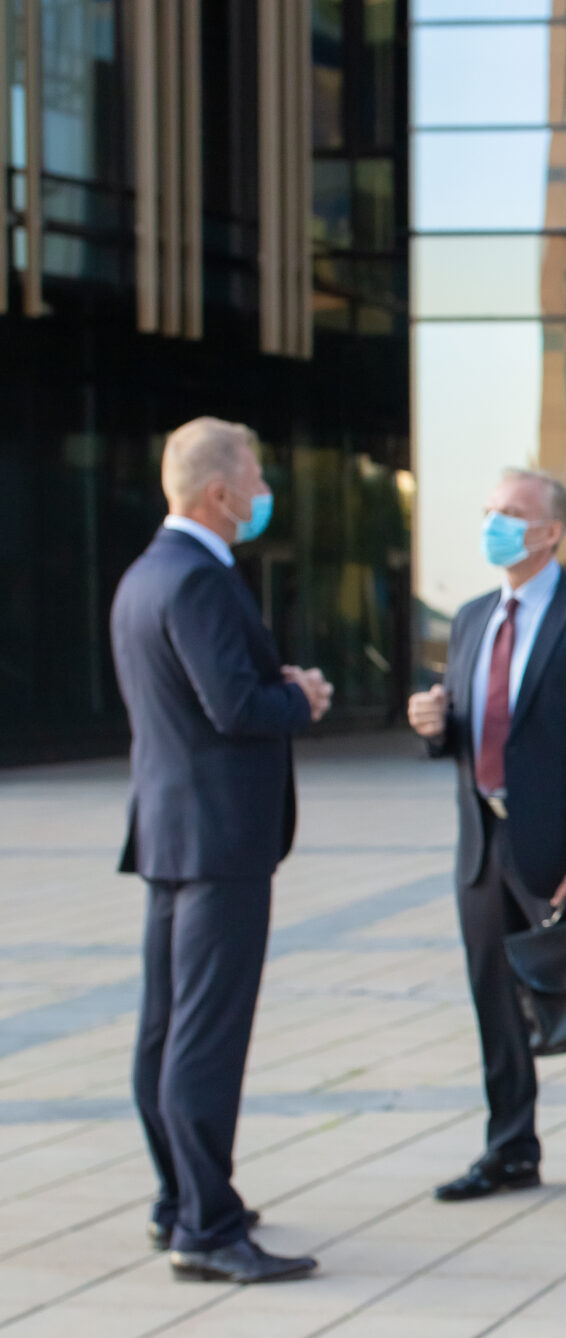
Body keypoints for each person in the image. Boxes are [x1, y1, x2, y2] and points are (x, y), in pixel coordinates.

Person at [111, 417, 333, 1285]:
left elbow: (194, 693)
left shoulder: (144, 575)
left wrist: (262, 688)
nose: (261, 490)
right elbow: (232, 709)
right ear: (218, 493)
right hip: (217, 840)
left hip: (172, 833)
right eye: (255, 476)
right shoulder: (200, 580)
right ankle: (206, 1226)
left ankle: (182, 1198)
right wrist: (304, 696)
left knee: (164, 1030)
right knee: (204, 1037)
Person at [408, 468, 566, 1220]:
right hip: (482, 844)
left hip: (560, 854)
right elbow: (473, 726)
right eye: (490, 511)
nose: (496, 524)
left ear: (551, 531)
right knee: (495, 1003)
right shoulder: (474, 615)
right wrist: (433, 725)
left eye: (512, 513)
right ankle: (512, 1145)